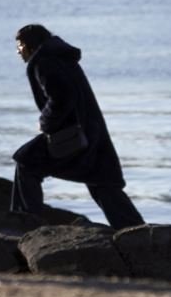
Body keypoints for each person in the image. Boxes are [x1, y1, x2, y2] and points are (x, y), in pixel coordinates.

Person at [11, 24, 144, 230]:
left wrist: (45, 122)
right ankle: (135, 231)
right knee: (103, 181)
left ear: (29, 45)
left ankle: (24, 225)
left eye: (19, 45)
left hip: (72, 134)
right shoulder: (61, 57)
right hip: (92, 131)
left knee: (26, 161)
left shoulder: (43, 62)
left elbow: (62, 97)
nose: (18, 51)